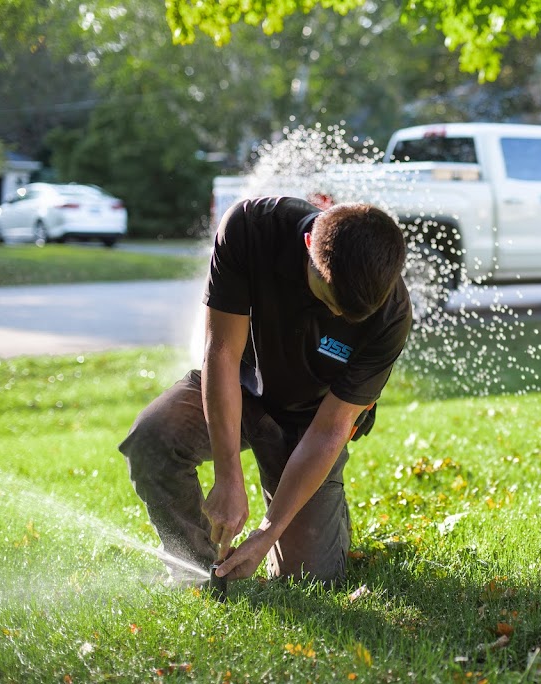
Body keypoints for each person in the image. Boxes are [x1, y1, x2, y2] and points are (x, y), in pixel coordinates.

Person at [120, 197, 412, 586]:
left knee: (311, 578)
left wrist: (267, 533)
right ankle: (197, 569)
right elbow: (220, 354)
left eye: (349, 315)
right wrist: (228, 477)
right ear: (309, 247)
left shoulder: (392, 313)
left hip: (310, 424)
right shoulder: (251, 227)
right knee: (153, 437)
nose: (338, 317)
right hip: (236, 391)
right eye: (330, 302)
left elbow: (330, 429)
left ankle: (325, 516)